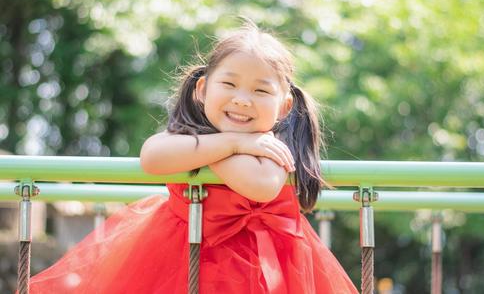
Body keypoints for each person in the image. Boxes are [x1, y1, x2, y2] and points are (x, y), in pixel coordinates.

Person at [29, 20, 358, 293]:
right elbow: (152, 157)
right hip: (177, 256)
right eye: (229, 84)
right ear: (202, 90)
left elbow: (260, 186)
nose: (242, 100)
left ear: (284, 106)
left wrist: (209, 149)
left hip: (262, 269)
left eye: (260, 91)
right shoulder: (193, 138)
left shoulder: (271, 146)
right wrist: (230, 142)